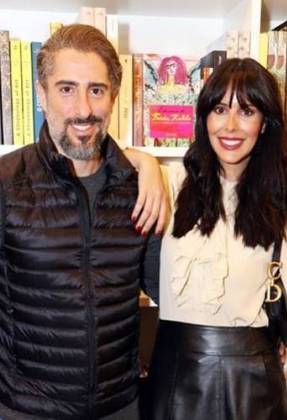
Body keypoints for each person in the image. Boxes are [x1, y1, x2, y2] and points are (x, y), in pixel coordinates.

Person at [0, 24, 167, 419]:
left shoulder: (138, 188)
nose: (83, 110)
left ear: (114, 97)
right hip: (27, 409)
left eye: (96, 90)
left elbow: (170, 290)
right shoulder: (6, 182)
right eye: (66, 89)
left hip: (119, 406)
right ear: (41, 95)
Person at [148, 58, 287, 420]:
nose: (231, 125)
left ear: (265, 123)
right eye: (220, 109)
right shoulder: (170, 185)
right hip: (173, 378)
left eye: (247, 111)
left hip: (251, 385)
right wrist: (145, 163)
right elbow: (111, 161)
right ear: (204, 117)